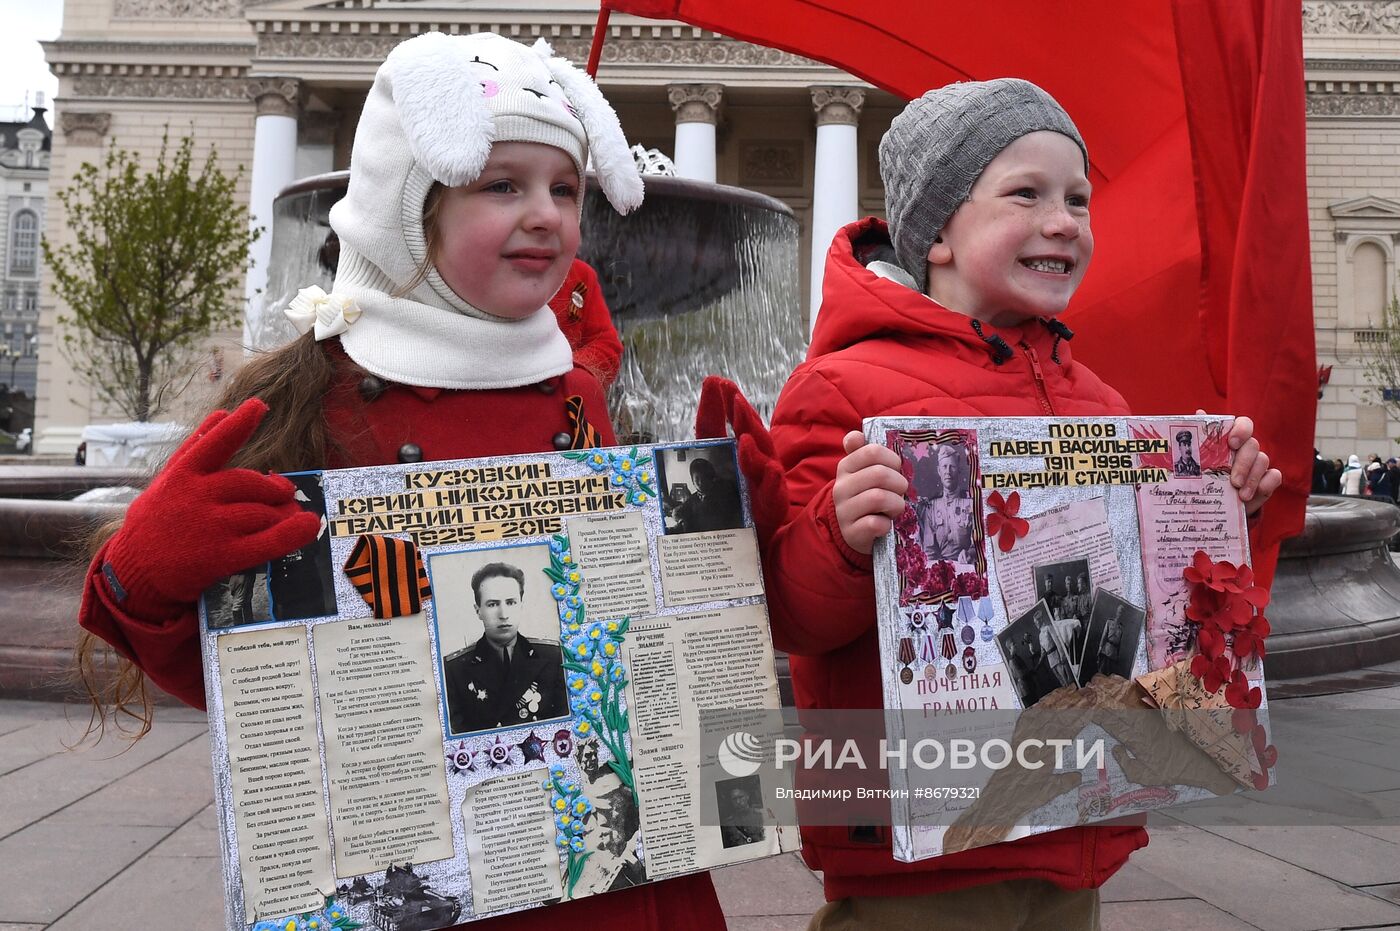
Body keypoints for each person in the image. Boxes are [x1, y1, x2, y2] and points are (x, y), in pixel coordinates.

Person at [73, 32, 725, 931]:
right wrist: (144, 574)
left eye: (564, 188)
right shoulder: (314, 397)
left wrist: (725, 541)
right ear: (409, 208)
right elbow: (258, 683)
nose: (546, 213)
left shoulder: (579, 392)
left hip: (604, 875)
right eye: (503, 184)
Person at [739, 79, 1282, 929]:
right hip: (922, 861)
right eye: (1025, 194)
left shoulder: (1100, 403)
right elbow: (792, 616)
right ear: (939, 234)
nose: (1064, 221)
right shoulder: (839, 388)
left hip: (1076, 831)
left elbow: (1153, 603)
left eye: (1077, 200)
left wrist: (1217, 515)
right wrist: (840, 539)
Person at [444, 562, 567, 733]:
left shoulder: (554, 657)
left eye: (511, 602)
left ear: (521, 605)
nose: (503, 614)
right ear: (478, 610)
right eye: (493, 604)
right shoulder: (454, 669)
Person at [928, 443, 974, 563]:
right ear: (939, 470)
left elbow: (980, 544)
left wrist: (969, 553)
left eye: (952, 466)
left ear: (959, 470)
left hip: (966, 568)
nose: (948, 471)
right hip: (940, 570)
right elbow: (929, 551)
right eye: (944, 467)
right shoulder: (931, 507)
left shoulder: (971, 504)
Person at [675, 456, 744, 532]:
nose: (700, 482)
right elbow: (681, 510)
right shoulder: (692, 499)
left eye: (704, 478)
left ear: (711, 478)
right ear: (692, 481)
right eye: (697, 479)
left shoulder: (722, 495)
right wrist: (678, 515)